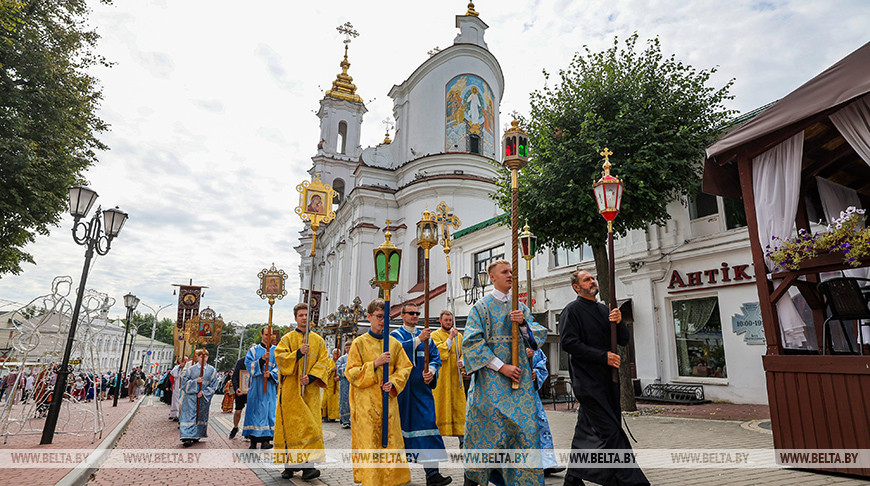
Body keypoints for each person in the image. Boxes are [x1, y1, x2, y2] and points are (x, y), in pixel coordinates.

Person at [559, 270, 649, 486]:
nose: (592, 281)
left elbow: (624, 340)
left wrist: (618, 322)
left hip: (609, 381)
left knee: (586, 430)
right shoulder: (571, 311)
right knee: (610, 431)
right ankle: (632, 481)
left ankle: (572, 479)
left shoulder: (604, 309)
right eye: (586, 279)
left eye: (593, 278)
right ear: (576, 287)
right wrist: (603, 356)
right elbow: (569, 343)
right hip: (587, 382)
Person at [463, 260, 547, 486]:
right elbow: (472, 344)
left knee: (525, 435)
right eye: (505, 272)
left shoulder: (520, 308)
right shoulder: (480, 307)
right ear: (492, 277)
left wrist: (522, 325)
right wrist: (503, 367)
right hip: (491, 385)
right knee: (488, 437)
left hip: (520, 386)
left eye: (511, 271)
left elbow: (537, 337)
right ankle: (472, 480)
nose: (510, 275)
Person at [346, 298, 413, 486]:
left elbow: (405, 368)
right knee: (369, 445)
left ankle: (391, 481)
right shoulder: (359, 343)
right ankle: (371, 481)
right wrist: (375, 364)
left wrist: (393, 383)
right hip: (366, 405)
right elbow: (351, 373)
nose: (383, 321)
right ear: (369, 317)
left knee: (391, 444)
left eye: (386, 317)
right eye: (378, 316)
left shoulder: (394, 344)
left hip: (388, 405)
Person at [391, 303, 451, 486]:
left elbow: (435, 358)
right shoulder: (396, 336)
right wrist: (417, 340)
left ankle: (432, 474)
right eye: (411, 313)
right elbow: (395, 352)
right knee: (398, 431)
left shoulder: (429, 339)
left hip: (421, 391)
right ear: (402, 315)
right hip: (401, 393)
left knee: (428, 427)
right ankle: (395, 474)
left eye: (417, 313)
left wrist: (431, 371)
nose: (415, 316)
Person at [273, 303, 329, 481]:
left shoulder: (318, 341)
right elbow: (280, 358)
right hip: (290, 392)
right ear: (295, 318)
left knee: (308, 428)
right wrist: (298, 353)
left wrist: (311, 377)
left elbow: (324, 362)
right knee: (291, 428)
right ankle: (289, 467)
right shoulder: (287, 339)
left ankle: (308, 467)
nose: (304, 318)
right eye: (301, 315)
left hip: (309, 393)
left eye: (307, 315)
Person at [431, 309, 466, 446]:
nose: (448, 322)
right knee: (440, 408)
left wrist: (462, 362)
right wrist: (450, 338)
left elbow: (464, 352)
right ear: (440, 321)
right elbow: (439, 352)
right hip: (442, 380)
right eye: (446, 320)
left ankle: (462, 440)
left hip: (456, 378)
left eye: (450, 320)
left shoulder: (460, 337)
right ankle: (437, 441)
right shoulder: (435, 335)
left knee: (459, 409)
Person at [529, 348, 565, 476]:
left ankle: (547, 463)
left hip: (530, 395)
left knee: (541, 425)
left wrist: (536, 374)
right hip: (509, 395)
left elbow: (541, 364)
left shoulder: (533, 346)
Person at [243, 326, 279, 449]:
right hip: (256, 386)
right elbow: (249, 365)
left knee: (268, 412)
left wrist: (271, 374)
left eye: (270, 335)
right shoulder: (253, 350)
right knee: (254, 411)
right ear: (261, 334)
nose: (268, 337)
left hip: (269, 387)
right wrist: (262, 360)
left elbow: (280, 368)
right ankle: (253, 441)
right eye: (266, 334)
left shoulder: (277, 351)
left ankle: (265, 441)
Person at [179, 349, 219, 447]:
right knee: (189, 416)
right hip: (190, 398)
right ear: (197, 357)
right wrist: (195, 382)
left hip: (203, 398)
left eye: (205, 356)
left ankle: (197, 434)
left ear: (208, 357)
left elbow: (214, 385)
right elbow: (184, 383)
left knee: (199, 416)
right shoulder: (191, 369)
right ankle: (187, 436)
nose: (203, 358)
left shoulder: (212, 370)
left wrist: (204, 393)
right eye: (201, 356)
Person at [228, 355, 247, 439]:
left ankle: (248, 431)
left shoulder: (258, 362)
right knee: (238, 411)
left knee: (251, 412)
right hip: (240, 390)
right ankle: (235, 427)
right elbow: (235, 376)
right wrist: (236, 388)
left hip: (252, 391)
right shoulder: (241, 362)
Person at [335, 341, 352, 429]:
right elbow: (338, 368)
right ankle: (345, 420)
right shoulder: (342, 358)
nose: (348, 349)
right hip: (344, 382)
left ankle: (353, 419)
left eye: (350, 347)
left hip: (353, 381)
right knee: (344, 400)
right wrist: (348, 367)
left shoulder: (356, 357)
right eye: (347, 348)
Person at [321, 348, 340, 422]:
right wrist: (332, 369)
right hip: (327, 384)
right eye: (335, 353)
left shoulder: (340, 362)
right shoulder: (328, 361)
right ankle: (324, 415)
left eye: (338, 354)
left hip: (335, 386)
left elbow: (344, 371)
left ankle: (332, 416)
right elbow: (325, 371)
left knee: (333, 401)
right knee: (324, 401)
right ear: (332, 354)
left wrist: (338, 377)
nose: (336, 355)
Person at [169, 356, 188, 421]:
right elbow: (173, 374)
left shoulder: (188, 367)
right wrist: (180, 367)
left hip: (184, 386)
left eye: (186, 360)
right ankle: (175, 414)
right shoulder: (177, 367)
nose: (185, 362)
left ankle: (180, 415)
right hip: (177, 386)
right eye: (183, 360)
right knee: (175, 400)